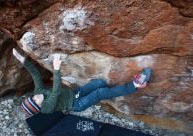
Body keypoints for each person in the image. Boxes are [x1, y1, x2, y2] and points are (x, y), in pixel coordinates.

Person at [12, 48, 151, 117]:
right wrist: (56, 69)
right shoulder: (46, 108)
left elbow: (35, 75)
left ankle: (116, 91)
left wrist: (22, 60)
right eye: (35, 102)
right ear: (39, 107)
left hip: (75, 94)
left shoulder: (38, 93)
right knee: (100, 92)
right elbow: (56, 91)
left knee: (99, 83)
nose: (35, 97)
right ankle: (135, 86)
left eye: (32, 98)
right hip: (77, 104)